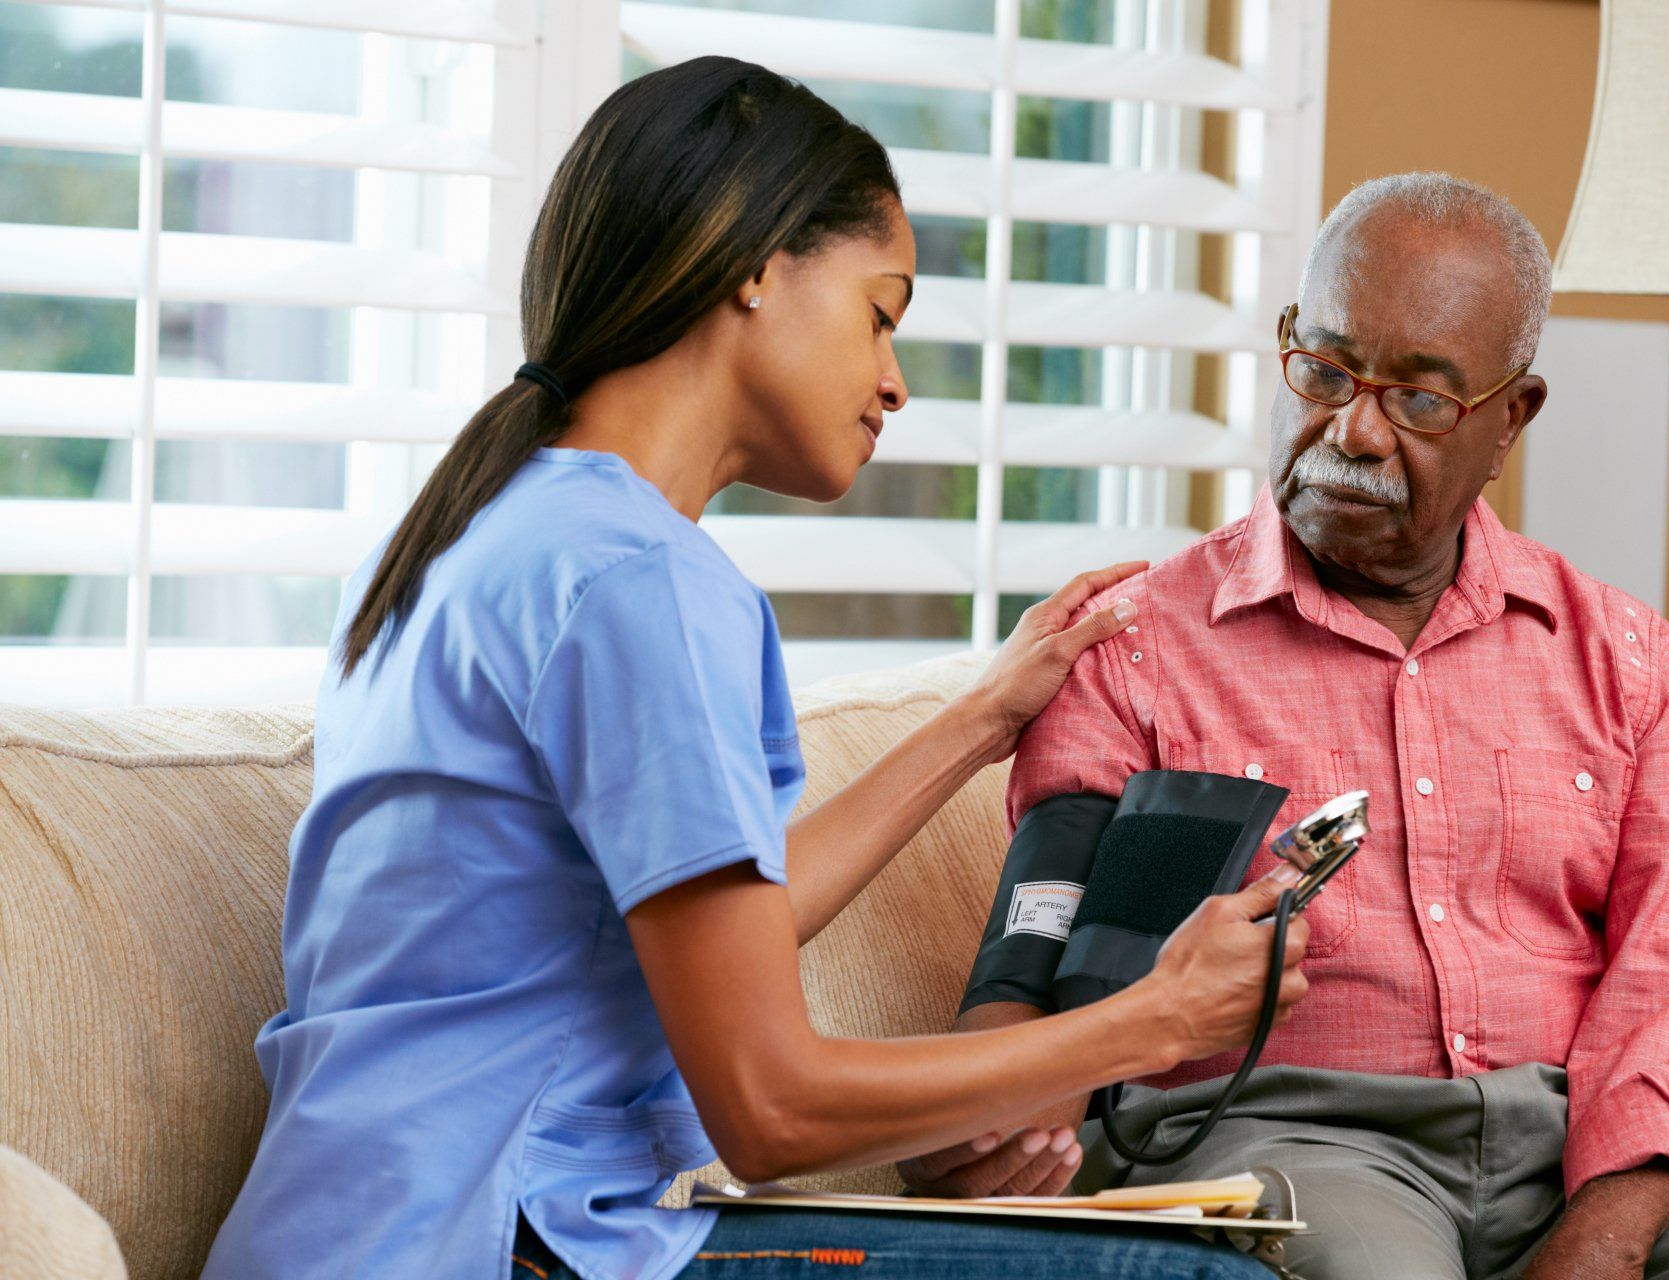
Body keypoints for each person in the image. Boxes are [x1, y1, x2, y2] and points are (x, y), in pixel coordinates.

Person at [199, 57, 1312, 1280]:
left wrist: (982, 716)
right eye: (880, 312)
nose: (894, 378)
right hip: (506, 1240)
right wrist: (1150, 1018)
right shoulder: (641, 582)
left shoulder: (467, 537)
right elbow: (768, 1107)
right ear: (757, 264)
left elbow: (731, 921)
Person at [910, 173, 1669, 1280]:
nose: (1355, 430)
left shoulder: (1629, 662)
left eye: (1421, 399)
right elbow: (1031, 970)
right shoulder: (1136, 649)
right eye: (1325, 369)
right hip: (1294, 1141)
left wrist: (1605, 1238)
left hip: (1588, 1145)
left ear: (1510, 417)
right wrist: (975, 1115)